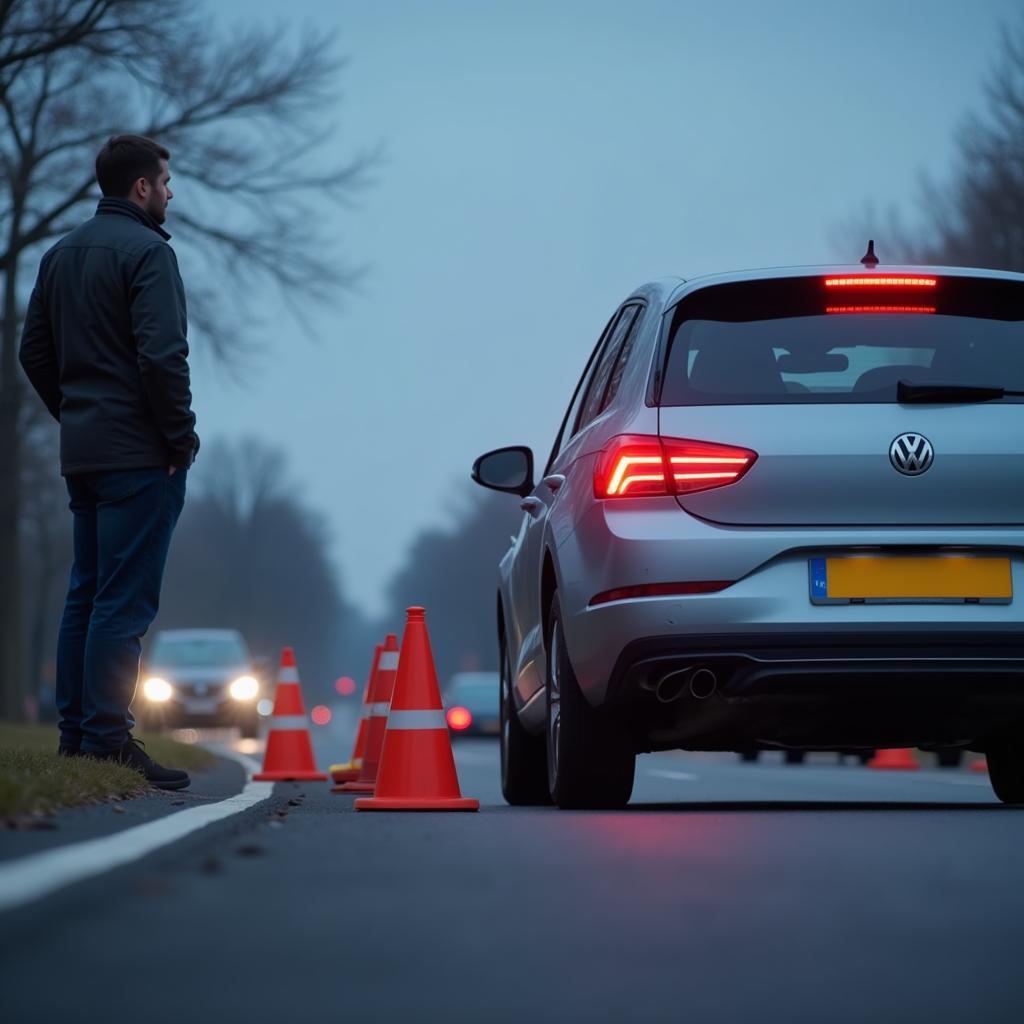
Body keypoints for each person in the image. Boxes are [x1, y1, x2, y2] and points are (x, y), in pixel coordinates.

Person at [19, 134, 199, 791]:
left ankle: (76, 736)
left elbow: (33, 353)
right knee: (123, 600)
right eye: (166, 180)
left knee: (86, 594)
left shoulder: (59, 255)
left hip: (85, 455)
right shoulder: (150, 253)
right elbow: (161, 356)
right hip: (140, 456)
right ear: (142, 188)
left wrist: (75, 417)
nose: (171, 192)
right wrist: (180, 438)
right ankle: (106, 738)